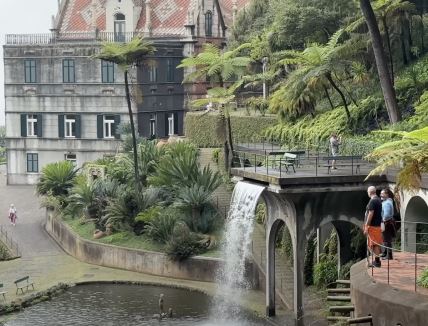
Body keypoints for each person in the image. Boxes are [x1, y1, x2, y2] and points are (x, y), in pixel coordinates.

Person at [364, 186, 383, 268]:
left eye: (368, 192)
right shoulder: (378, 200)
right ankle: (377, 261)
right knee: (375, 244)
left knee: (374, 244)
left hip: (372, 226)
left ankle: (377, 262)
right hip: (377, 225)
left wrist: (367, 225)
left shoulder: (373, 201)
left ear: (370, 192)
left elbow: (370, 213)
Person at [380, 189, 396, 260]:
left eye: (383, 194)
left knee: (387, 239)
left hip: (387, 222)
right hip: (388, 222)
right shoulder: (388, 201)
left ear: (387, 195)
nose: (381, 195)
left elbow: (386, 215)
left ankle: (389, 255)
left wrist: (382, 221)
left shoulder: (387, 203)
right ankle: (385, 253)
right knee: (385, 239)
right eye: (381, 193)